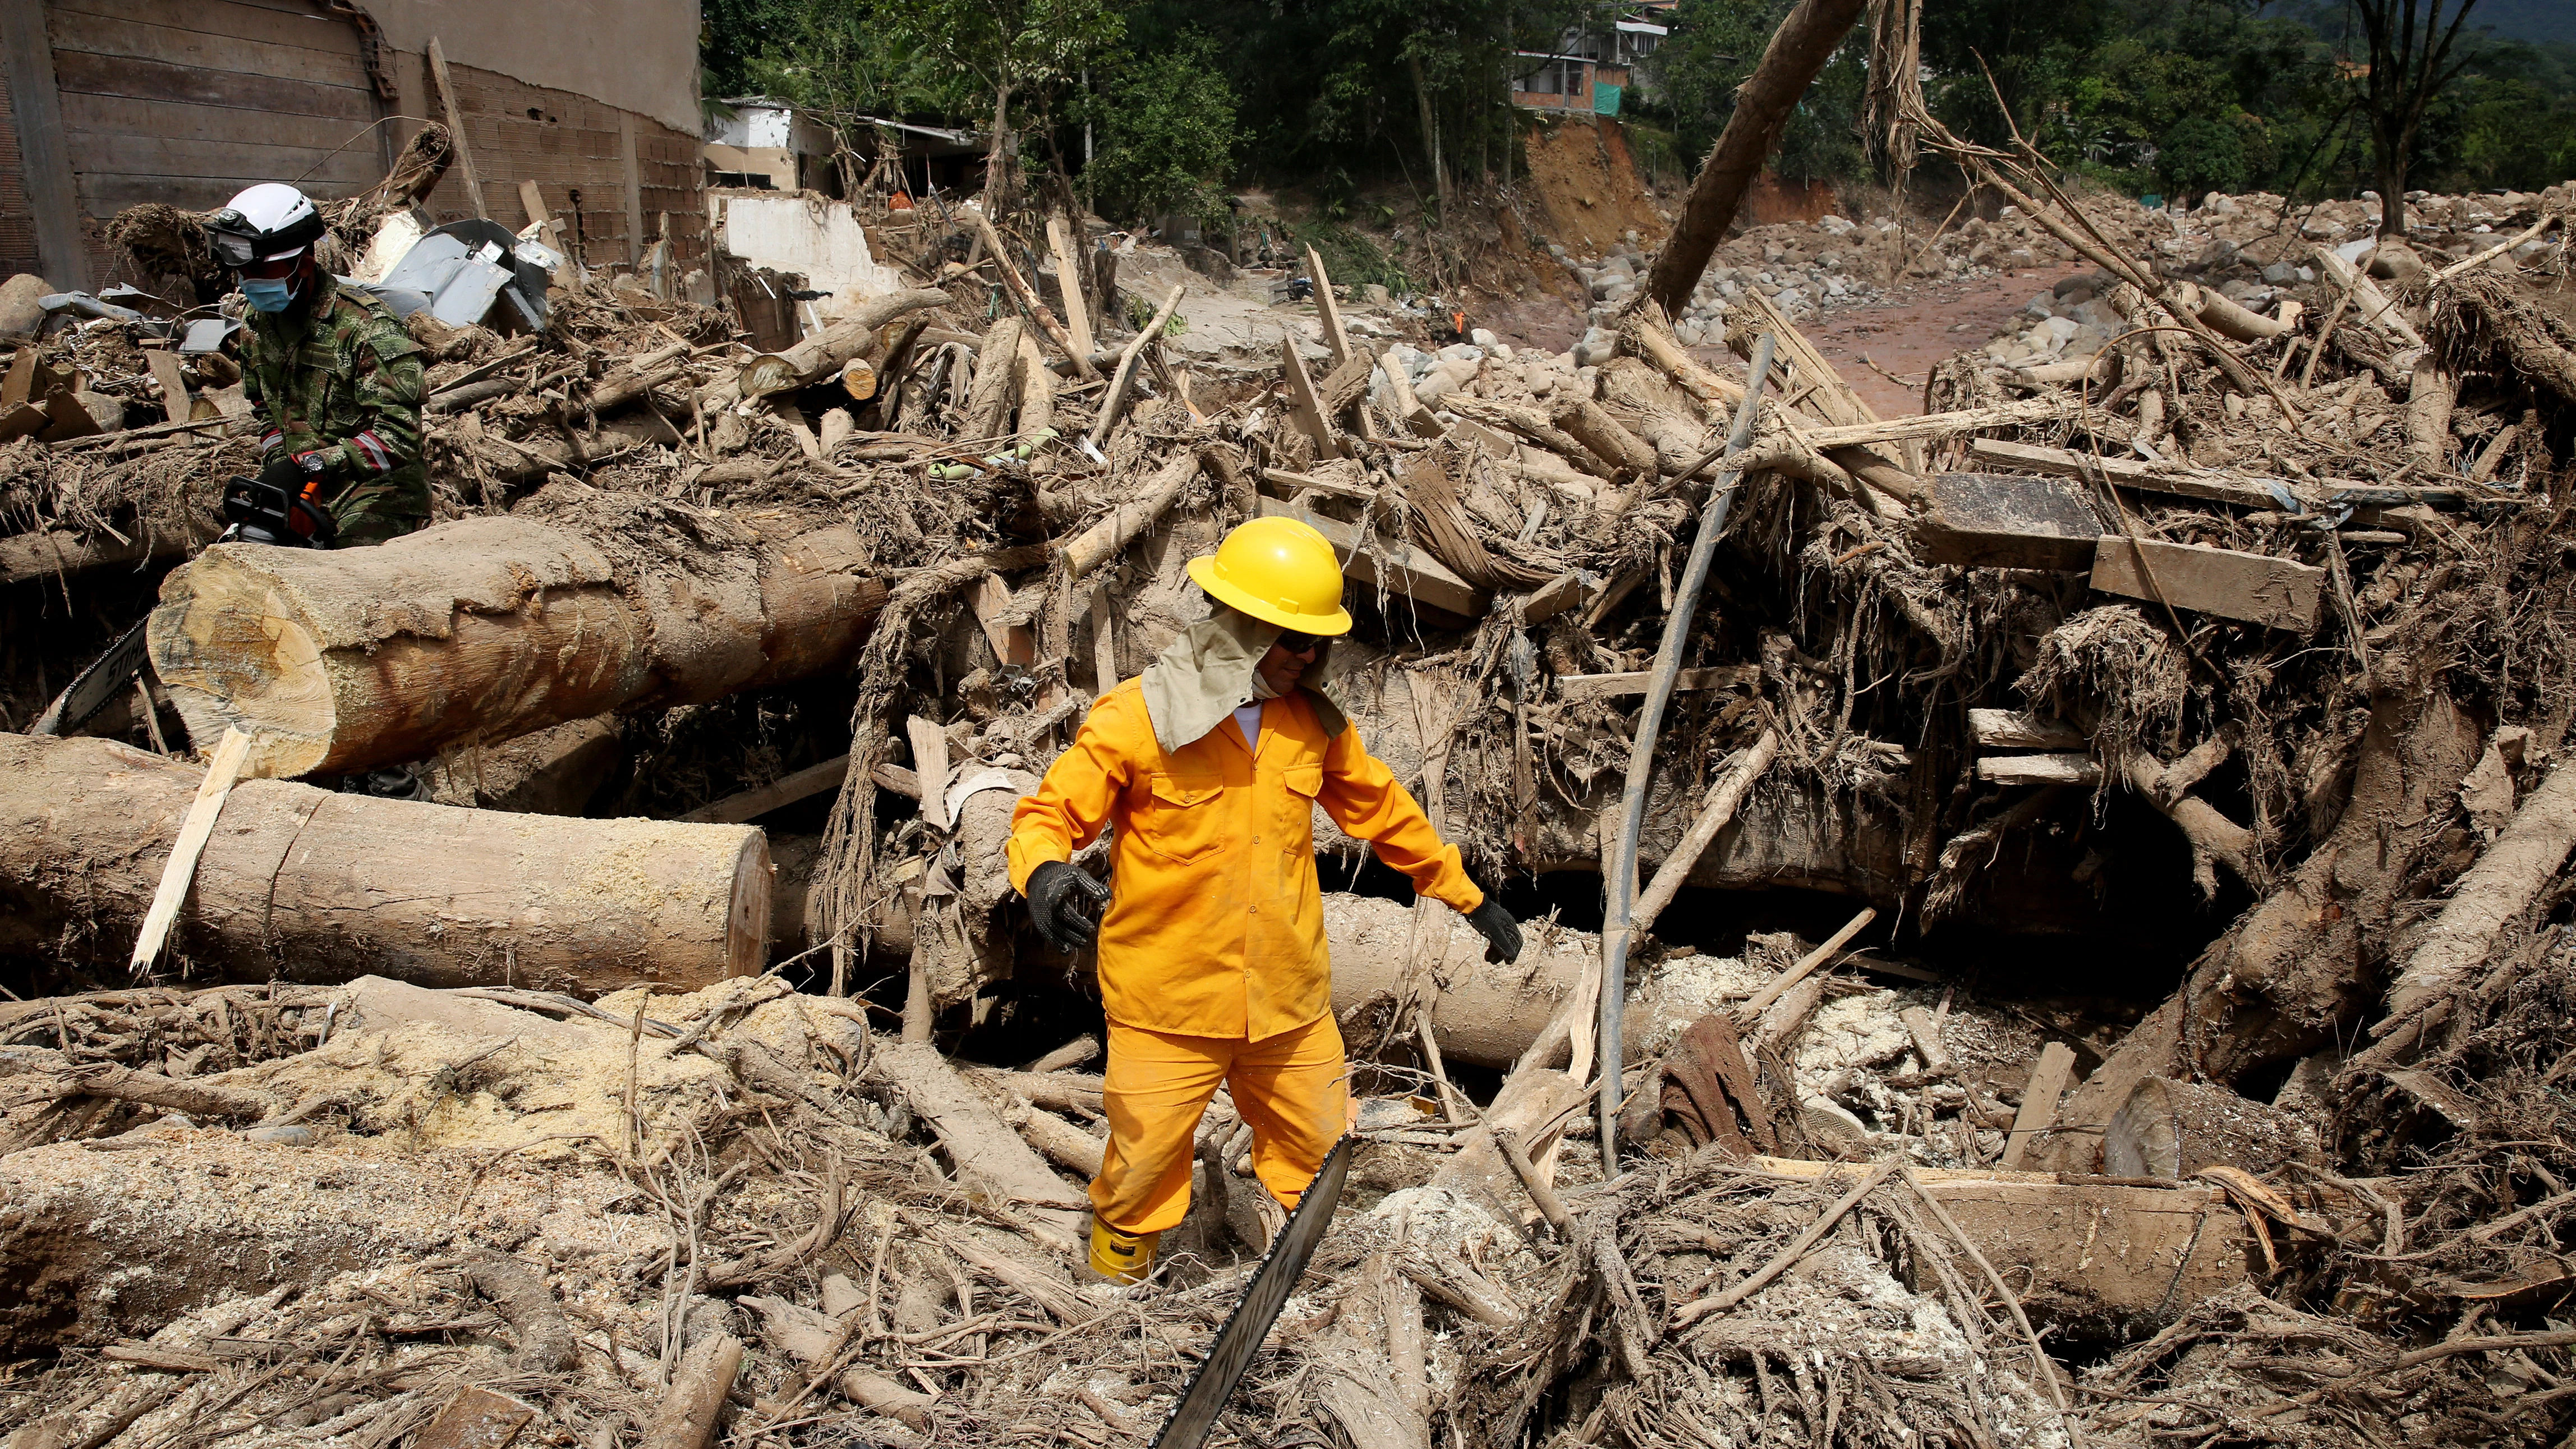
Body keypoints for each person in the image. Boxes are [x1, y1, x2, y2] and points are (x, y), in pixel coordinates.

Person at [1006, 517, 1522, 1283]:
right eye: (1294, 641)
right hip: (1167, 1003)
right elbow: (1046, 817)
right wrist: (1046, 874)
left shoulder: (1309, 726)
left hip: (1287, 1002)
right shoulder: (1137, 717)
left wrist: (1466, 895)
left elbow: (1382, 808)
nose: (1310, 658)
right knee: (1141, 1169)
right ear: (1243, 629)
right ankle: (1109, 1301)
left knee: (1321, 1156)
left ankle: (1307, 1299)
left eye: (1318, 644)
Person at [204, 183, 430, 548]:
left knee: (349, 580)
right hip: (306, 488)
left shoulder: (367, 327)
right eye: (242, 272)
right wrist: (282, 470)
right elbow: (264, 408)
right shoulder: (256, 325)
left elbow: (401, 437)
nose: (248, 282)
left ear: (304, 264)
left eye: (259, 270)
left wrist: (312, 465)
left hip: (378, 490)